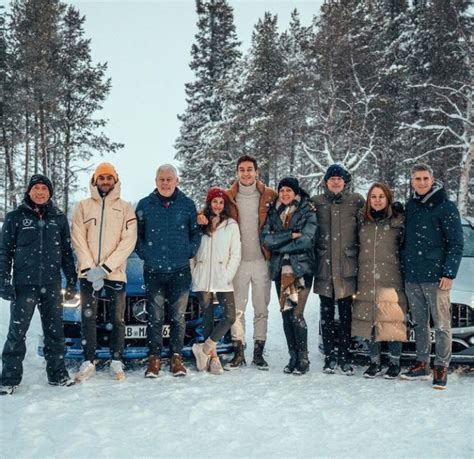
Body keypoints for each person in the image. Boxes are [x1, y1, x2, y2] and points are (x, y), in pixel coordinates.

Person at [0, 175, 77, 395]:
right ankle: (8, 379)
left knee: (55, 332)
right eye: (36, 188)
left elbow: (66, 253)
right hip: (24, 285)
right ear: (29, 191)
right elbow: (4, 252)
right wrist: (3, 280)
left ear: (50, 193)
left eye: (44, 188)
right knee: (17, 332)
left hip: (52, 285)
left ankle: (58, 375)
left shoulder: (59, 218)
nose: (40, 192)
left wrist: (70, 280)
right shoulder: (15, 217)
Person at [198, 155, 276, 370]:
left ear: (256, 172)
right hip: (238, 263)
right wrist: (200, 216)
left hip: (262, 261)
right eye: (242, 170)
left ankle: (259, 352)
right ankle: (239, 351)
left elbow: (289, 205)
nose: (246, 173)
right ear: (237, 172)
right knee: (237, 311)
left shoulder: (269, 195)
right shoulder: (229, 197)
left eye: (250, 169)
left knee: (261, 308)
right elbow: (209, 210)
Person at [71, 163, 137, 383]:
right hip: (88, 274)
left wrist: (106, 267)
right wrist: (90, 268)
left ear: (115, 180)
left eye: (109, 178)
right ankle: (88, 359)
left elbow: (129, 240)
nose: (106, 182)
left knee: (117, 318)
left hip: (115, 273)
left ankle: (116, 359)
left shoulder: (126, 208)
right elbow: (78, 238)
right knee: (88, 317)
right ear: (95, 180)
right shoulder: (83, 206)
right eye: (102, 178)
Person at [400, 164, 463, 389]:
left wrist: (449, 272)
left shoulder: (445, 207)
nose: (422, 182)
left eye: (425, 178)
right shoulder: (411, 206)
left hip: (436, 277)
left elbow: (457, 244)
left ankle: (441, 366)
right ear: (412, 182)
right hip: (413, 275)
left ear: (433, 179)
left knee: (442, 324)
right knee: (419, 323)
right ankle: (422, 363)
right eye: (417, 179)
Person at [136, 164, 201, 377]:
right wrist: (146, 253)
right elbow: (137, 236)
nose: (165, 183)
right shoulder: (145, 205)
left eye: (169, 179)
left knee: (177, 317)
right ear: (156, 181)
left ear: (176, 181)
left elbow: (195, 234)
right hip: (154, 271)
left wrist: (188, 252)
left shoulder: (187, 205)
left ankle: (176, 357)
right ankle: (154, 358)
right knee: (154, 317)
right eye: (161, 179)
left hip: (180, 270)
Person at [311, 164, 365, 375]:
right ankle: (329, 357)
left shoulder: (356, 201)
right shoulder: (317, 202)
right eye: (331, 178)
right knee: (326, 315)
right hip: (324, 266)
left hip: (346, 265)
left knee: (345, 314)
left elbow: (372, 216)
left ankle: (344, 355)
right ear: (326, 182)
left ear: (345, 182)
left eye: (339, 179)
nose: (335, 182)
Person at [261, 178, 317, 375]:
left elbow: (307, 239)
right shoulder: (273, 211)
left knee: (296, 313)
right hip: (280, 270)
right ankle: (292, 357)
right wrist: (289, 235)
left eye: (288, 190)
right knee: (286, 314)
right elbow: (266, 238)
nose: (285, 194)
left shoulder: (307, 210)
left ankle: (303, 358)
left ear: (295, 192)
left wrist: (280, 244)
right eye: (282, 190)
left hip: (300, 269)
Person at [351, 183, 407, 379]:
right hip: (366, 278)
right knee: (371, 321)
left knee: (392, 320)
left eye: (381, 196)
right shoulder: (362, 221)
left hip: (391, 278)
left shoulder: (398, 220)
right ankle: (373, 363)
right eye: (373, 197)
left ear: (388, 198)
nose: (377, 200)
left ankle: (394, 363)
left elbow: (405, 246)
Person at [191, 187, 241, 375]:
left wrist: (227, 275)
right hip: (202, 277)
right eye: (214, 202)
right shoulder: (200, 223)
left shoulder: (231, 225)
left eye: (221, 202)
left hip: (223, 278)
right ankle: (213, 358)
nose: (218, 205)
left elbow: (235, 254)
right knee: (208, 319)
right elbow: (192, 252)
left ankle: (203, 349)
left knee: (229, 316)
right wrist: (194, 272)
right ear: (209, 203)